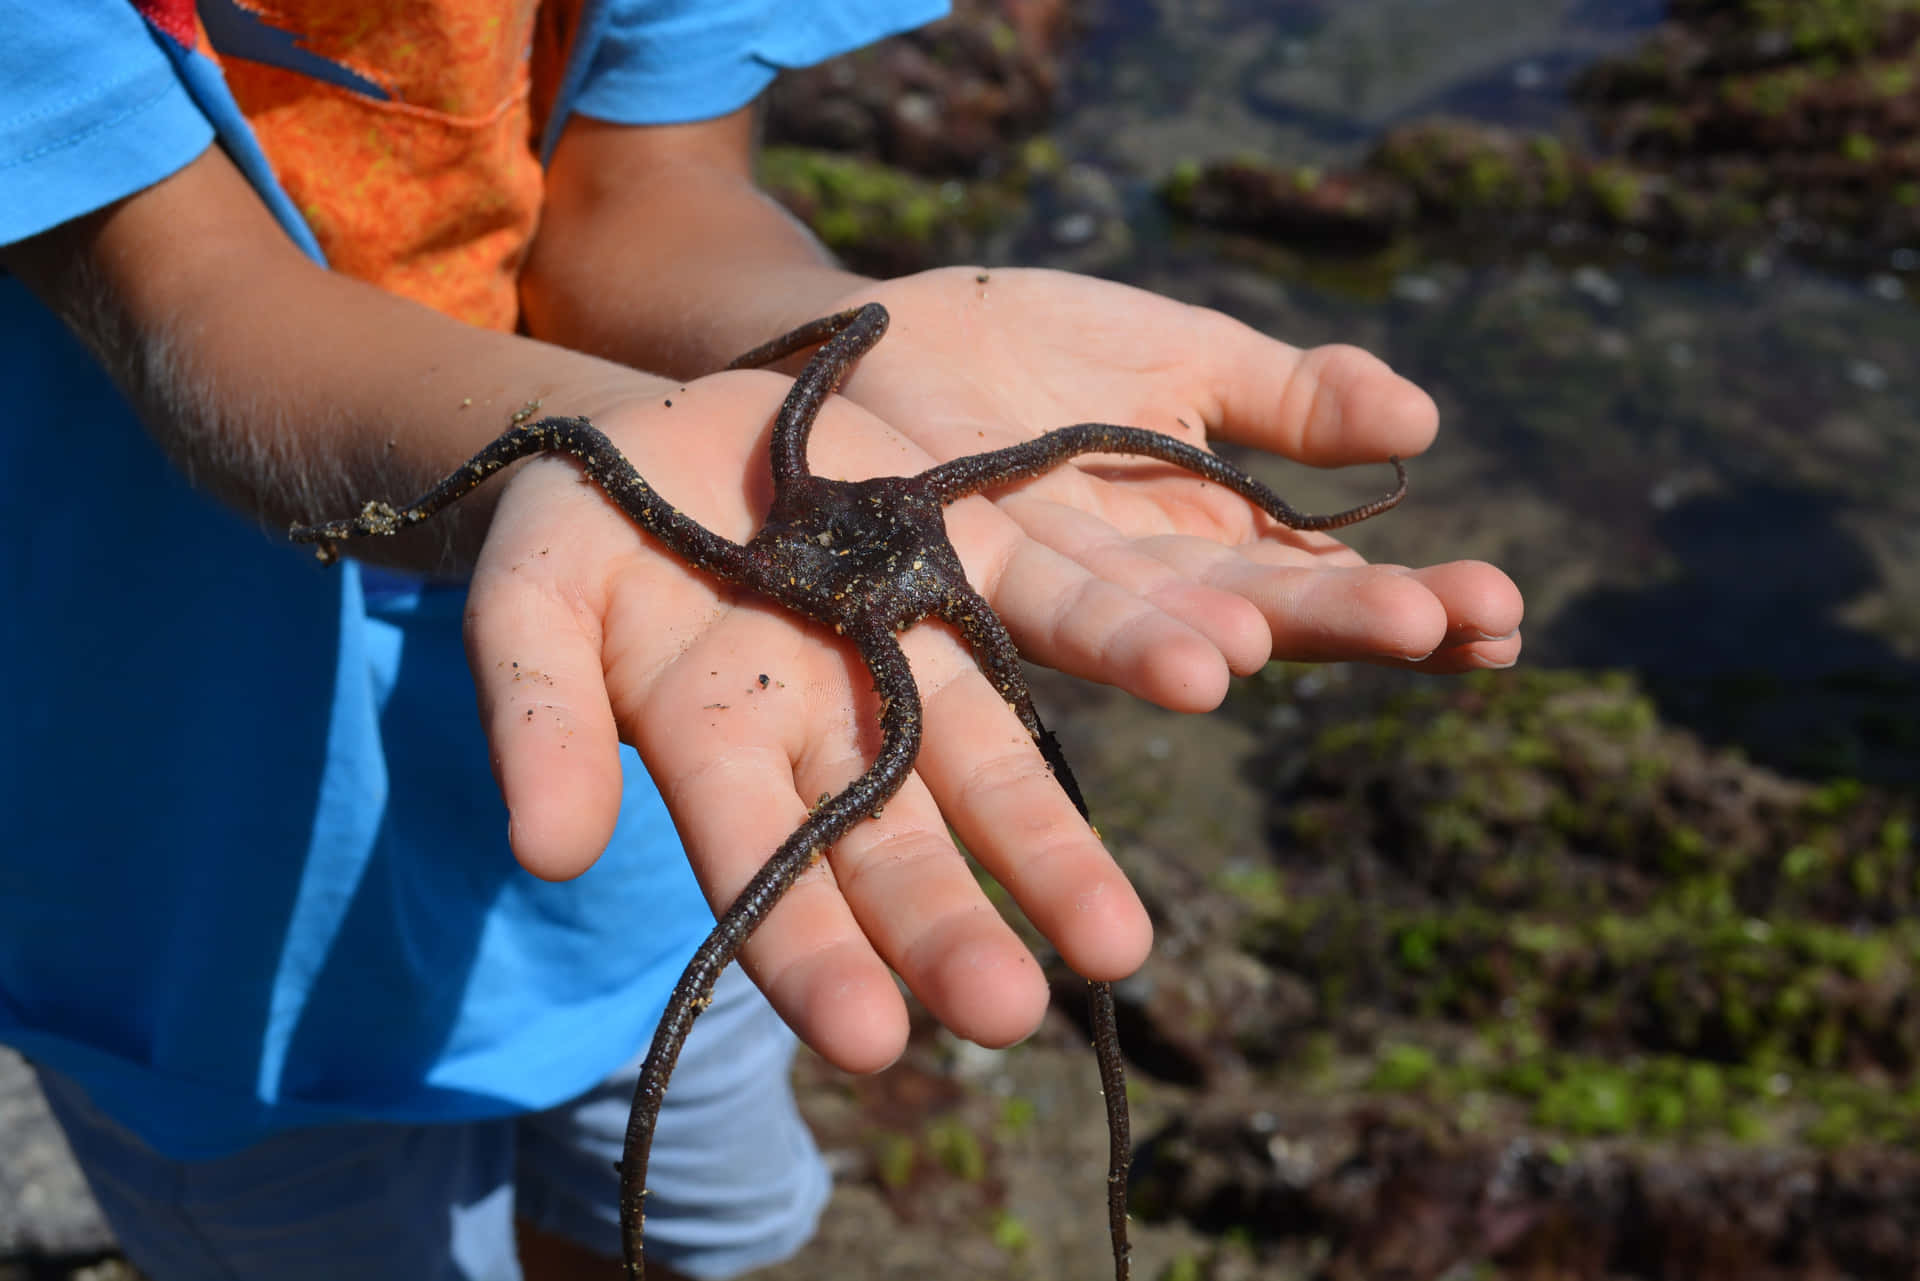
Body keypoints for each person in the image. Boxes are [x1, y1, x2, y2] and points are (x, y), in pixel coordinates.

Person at [0, 2, 1524, 1279]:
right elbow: (196, 304)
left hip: (671, 826)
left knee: (668, 1217)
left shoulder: (820, 513)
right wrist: (587, 435)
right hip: (191, 890)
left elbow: (645, 197)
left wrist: (835, 315)